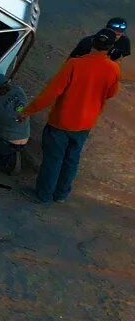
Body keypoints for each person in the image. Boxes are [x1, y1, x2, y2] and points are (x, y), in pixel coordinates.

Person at [21, 29, 122, 204]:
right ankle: (61, 195)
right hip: (85, 123)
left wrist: (27, 111)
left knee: (53, 159)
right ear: (111, 47)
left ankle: (44, 195)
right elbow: (111, 93)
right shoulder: (113, 68)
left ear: (93, 42)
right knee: (71, 160)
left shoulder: (74, 64)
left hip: (61, 121)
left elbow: (50, 93)